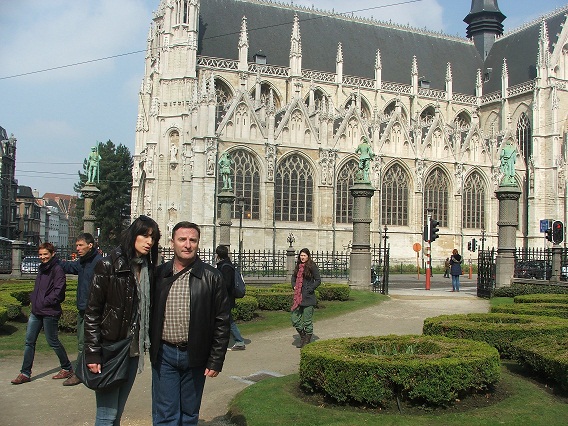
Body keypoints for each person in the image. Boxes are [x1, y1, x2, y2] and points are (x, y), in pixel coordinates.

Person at [83, 215, 161, 425]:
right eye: (145, 235)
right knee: (106, 415)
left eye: (153, 238)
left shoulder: (147, 269)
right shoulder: (108, 265)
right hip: (110, 349)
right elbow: (92, 312)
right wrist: (93, 353)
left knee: (117, 413)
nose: (149, 242)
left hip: (133, 350)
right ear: (133, 235)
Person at [151, 222, 230, 425]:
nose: (187, 245)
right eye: (182, 239)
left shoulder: (212, 277)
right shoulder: (158, 275)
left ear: (198, 243)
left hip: (195, 354)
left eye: (192, 240)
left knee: (189, 415)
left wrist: (216, 360)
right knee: (166, 414)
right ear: (172, 243)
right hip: (165, 354)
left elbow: (222, 321)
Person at [11, 242, 73, 385]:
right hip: (36, 311)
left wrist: (44, 302)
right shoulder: (42, 268)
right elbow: (39, 289)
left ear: (52, 254)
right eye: (40, 254)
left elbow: (59, 292)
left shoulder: (57, 269)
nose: (43, 257)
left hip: (50, 311)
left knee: (53, 341)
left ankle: (67, 367)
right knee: (29, 341)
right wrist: (34, 299)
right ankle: (25, 373)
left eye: (45, 254)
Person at [58, 233, 103, 386]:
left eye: (80, 245)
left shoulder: (98, 262)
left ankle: (79, 374)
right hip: (83, 307)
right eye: (76, 245)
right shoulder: (83, 262)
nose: (77, 248)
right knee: (83, 341)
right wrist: (54, 261)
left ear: (90, 245)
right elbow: (71, 267)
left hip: (92, 309)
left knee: (83, 342)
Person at [215, 245, 246, 351]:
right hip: (224, 298)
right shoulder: (225, 265)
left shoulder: (226, 267)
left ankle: (239, 341)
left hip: (225, 299)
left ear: (218, 255)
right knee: (223, 320)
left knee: (228, 320)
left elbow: (227, 284)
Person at [291, 248, 321, 348]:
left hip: (308, 297)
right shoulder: (298, 266)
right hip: (298, 297)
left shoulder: (312, 266)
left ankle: (307, 338)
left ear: (308, 256)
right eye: (301, 255)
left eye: (304, 255)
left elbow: (318, 280)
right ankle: (303, 336)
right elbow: (293, 278)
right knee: (294, 318)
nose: (302, 257)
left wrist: (309, 289)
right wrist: (294, 285)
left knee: (307, 321)